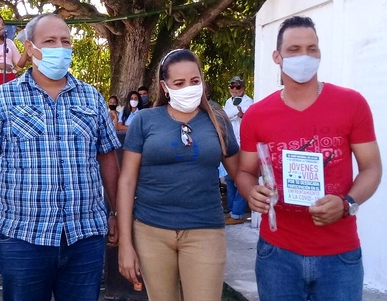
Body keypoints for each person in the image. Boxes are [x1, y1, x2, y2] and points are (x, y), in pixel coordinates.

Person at [0, 13, 121, 301]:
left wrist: (116, 214)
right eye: (49, 41)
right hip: (23, 238)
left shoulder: (92, 98)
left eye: (65, 41)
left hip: (84, 237)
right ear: (30, 48)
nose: (59, 47)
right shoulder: (2, 99)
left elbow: (108, 158)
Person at [236, 16, 381, 301]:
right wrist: (251, 192)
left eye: (311, 48)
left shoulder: (351, 104)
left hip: (339, 255)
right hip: (277, 253)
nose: (304, 56)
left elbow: (372, 167)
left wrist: (347, 204)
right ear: (277, 56)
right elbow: (244, 171)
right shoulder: (257, 115)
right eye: (294, 49)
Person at [117, 49, 239, 301]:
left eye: (195, 81)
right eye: (179, 83)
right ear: (164, 86)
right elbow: (127, 182)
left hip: (205, 230)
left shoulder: (217, 119)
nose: (189, 88)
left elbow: (241, 172)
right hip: (151, 231)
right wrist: (125, 244)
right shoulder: (145, 120)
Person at [223, 75, 254, 225]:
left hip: (244, 146)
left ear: (243, 88)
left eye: (238, 87)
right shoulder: (228, 102)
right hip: (231, 143)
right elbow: (226, 116)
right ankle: (231, 212)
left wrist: (238, 113)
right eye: (232, 86)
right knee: (230, 179)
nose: (234, 90)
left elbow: (243, 115)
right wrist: (236, 112)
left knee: (241, 179)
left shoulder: (250, 102)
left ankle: (237, 213)